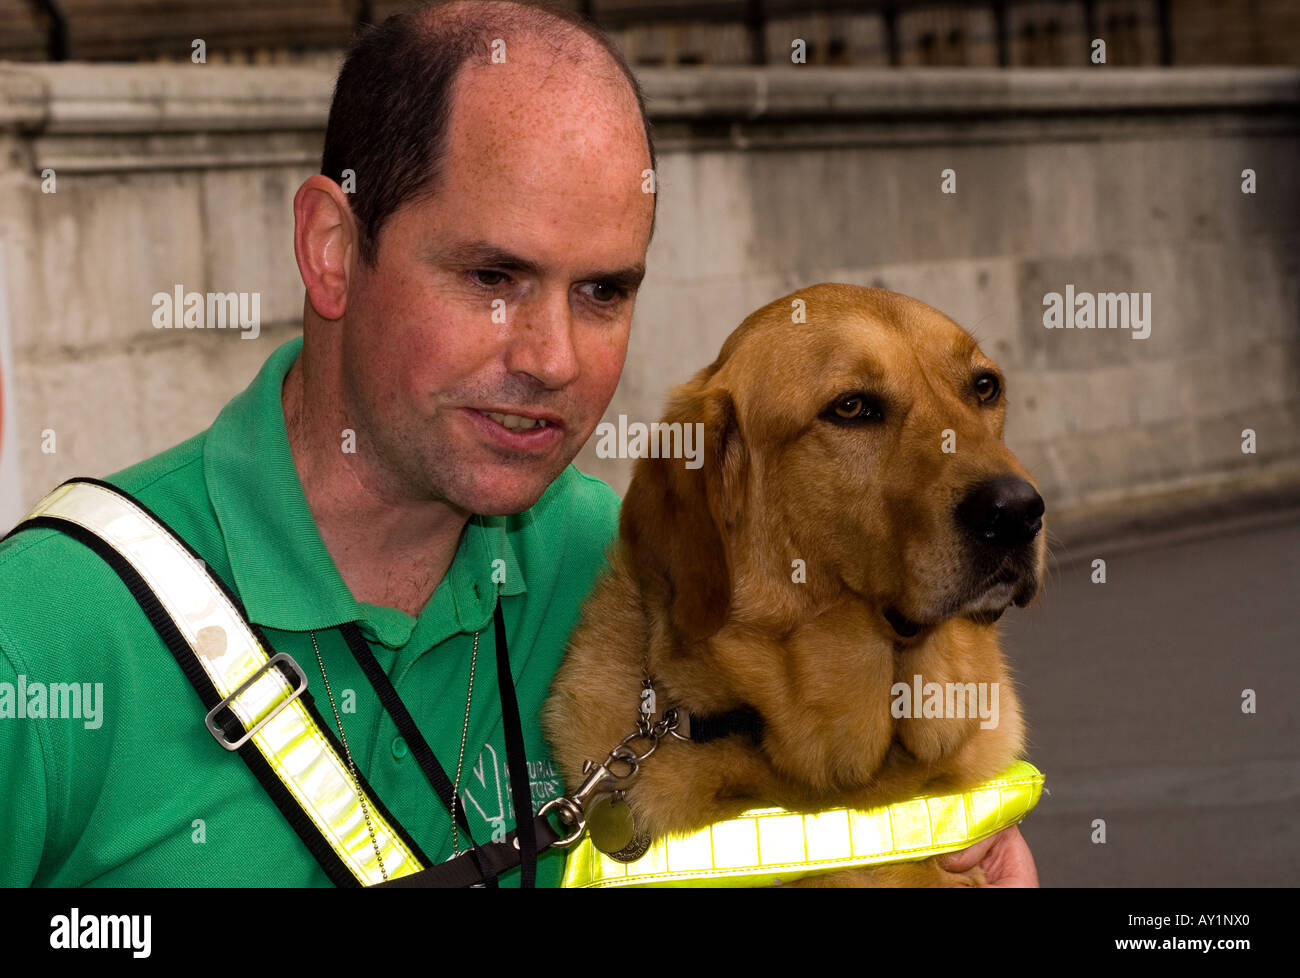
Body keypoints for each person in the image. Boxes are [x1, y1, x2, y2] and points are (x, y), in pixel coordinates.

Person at [0, 0, 1036, 887]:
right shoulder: (50, 633)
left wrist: (957, 847)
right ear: (331, 251)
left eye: (602, 292)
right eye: (492, 279)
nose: (550, 357)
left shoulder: (641, 571)